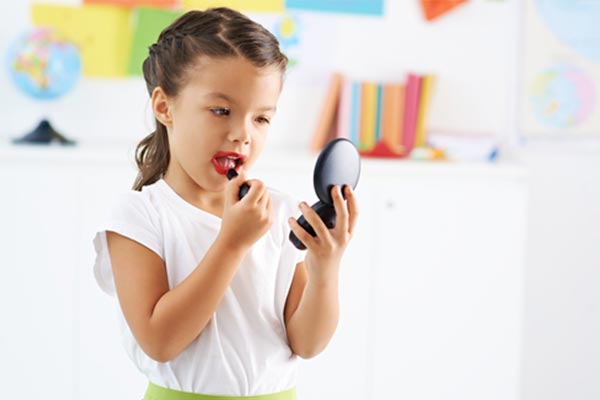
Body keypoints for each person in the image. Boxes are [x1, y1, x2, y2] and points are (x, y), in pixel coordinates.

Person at [93, 7, 358, 400]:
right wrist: (231, 243)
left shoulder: (278, 212)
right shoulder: (139, 217)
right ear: (165, 107)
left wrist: (325, 267)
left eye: (261, 119)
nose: (242, 134)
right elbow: (160, 340)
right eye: (221, 111)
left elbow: (307, 343)